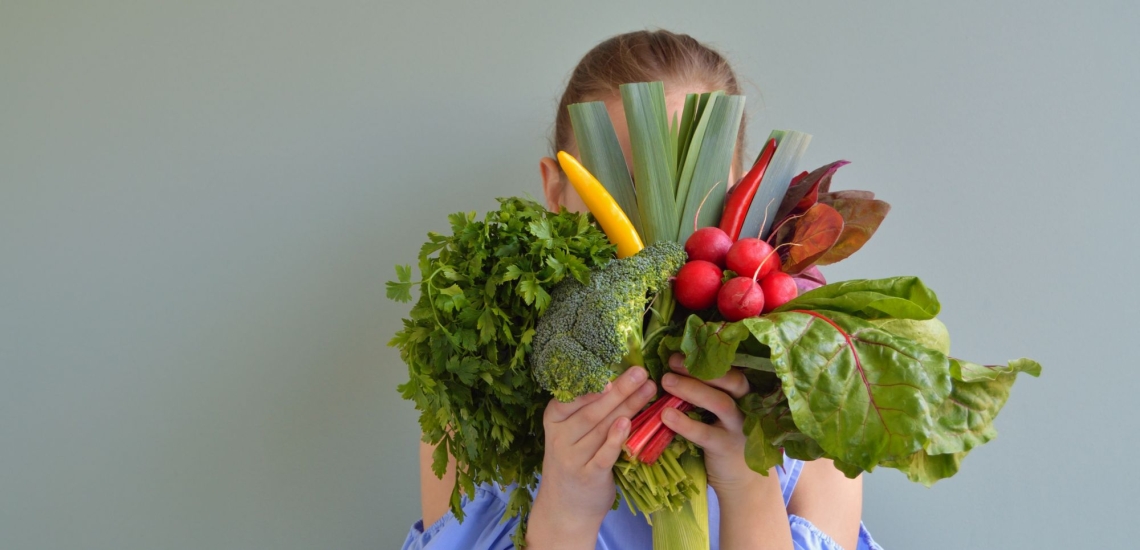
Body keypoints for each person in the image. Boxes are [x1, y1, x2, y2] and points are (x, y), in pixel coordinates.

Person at [403, 30, 882, 550]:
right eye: (624, 183)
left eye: (698, 189)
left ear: (745, 188)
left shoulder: (817, 388)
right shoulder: (476, 394)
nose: (661, 231)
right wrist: (564, 512)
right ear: (557, 191)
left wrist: (748, 487)